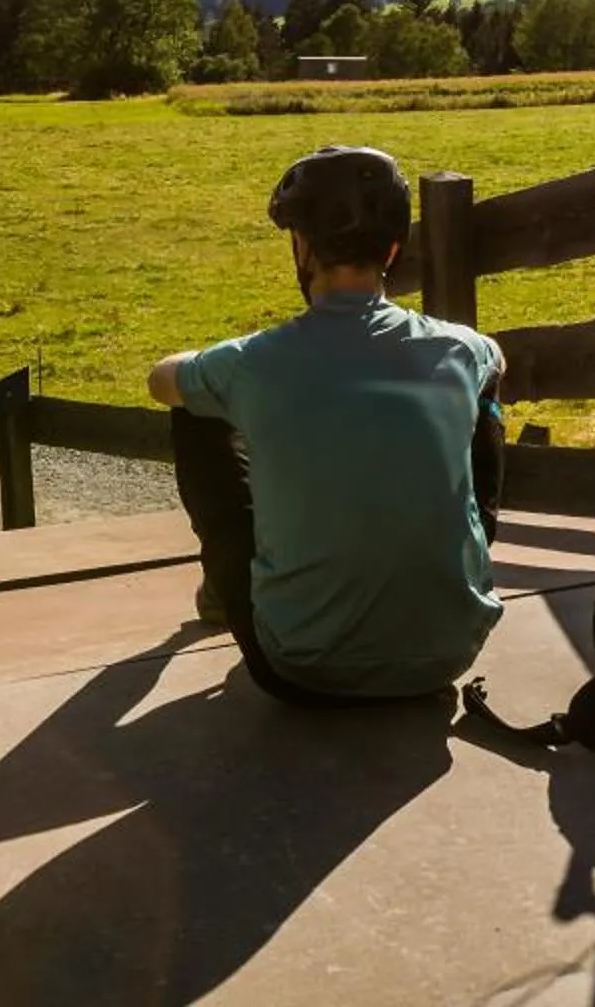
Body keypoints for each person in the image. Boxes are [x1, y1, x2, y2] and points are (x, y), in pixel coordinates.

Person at [146, 144, 507, 705]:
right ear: (392, 249)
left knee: (193, 408)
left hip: (298, 666)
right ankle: (451, 576)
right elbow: (495, 359)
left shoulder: (252, 363)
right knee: (484, 398)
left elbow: (160, 380)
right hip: (450, 654)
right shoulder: (460, 350)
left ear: (302, 248)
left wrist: (211, 365)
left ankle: (225, 586)